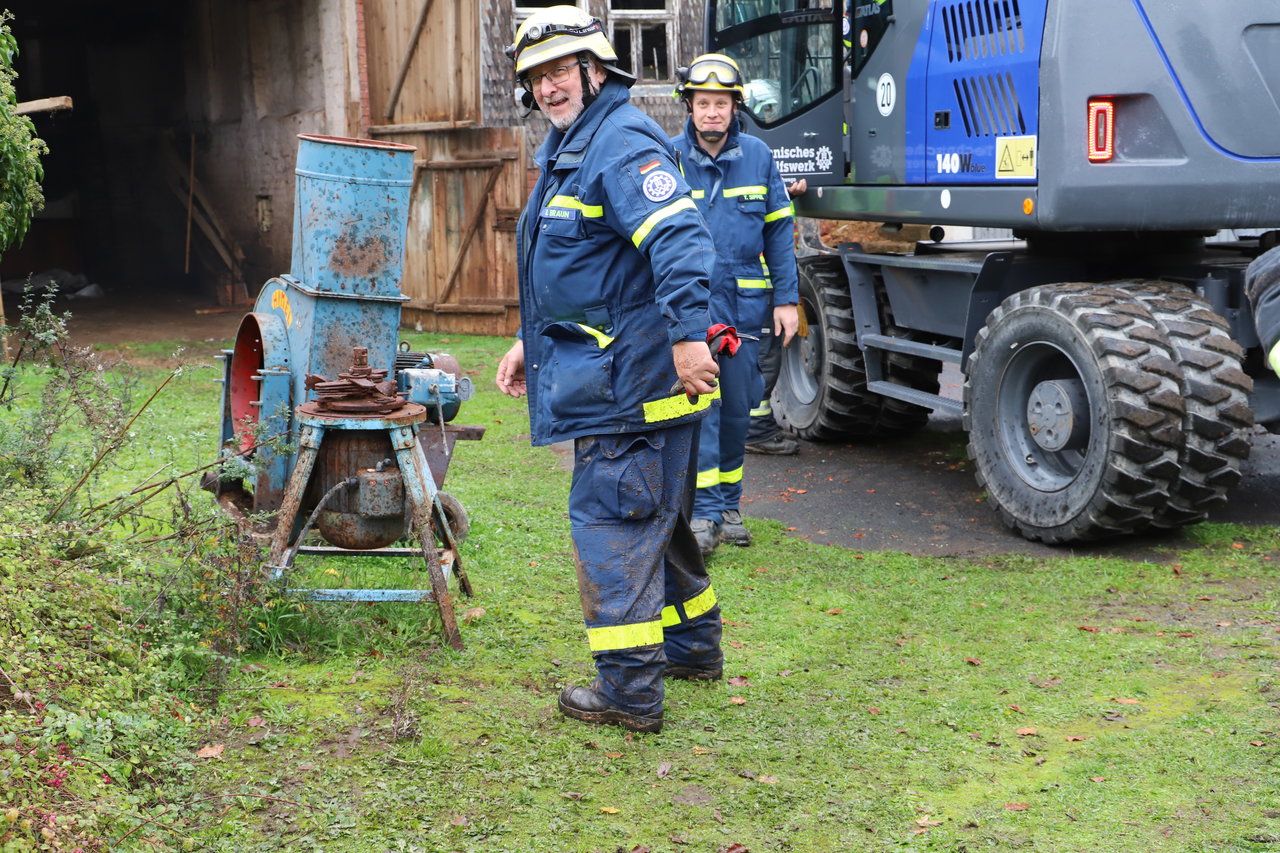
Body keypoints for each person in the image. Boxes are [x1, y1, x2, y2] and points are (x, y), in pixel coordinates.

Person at [496, 6, 725, 734]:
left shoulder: (619, 144)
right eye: (536, 77)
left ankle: (628, 690)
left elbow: (680, 239)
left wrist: (688, 339)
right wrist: (531, 340)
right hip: (622, 376)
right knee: (660, 520)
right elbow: (580, 270)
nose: (548, 87)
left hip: (631, 387)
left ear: (595, 71)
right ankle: (693, 646)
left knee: (613, 522)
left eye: (560, 70)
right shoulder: (573, 146)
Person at [669, 53, 800, 556]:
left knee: (740, 409)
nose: (712, 112)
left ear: (734, 107)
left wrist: (786, 299)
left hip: (746, 306)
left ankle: (728, 505)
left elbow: (779, 233)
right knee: (703, 404)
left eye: (720, 104)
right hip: (692, 304)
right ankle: (702, 512)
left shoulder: (759, 156)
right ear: (689, 106)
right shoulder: (667, 157)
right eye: (703, 103)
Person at [745, 177, 810, 457]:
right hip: (758, 288)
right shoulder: (750, 176)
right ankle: (755, 430)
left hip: (761, 287)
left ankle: (756, 426)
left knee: (762, 359)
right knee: (763, 361)